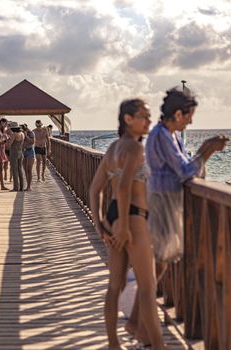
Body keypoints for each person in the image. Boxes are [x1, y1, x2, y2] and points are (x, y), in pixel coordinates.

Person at [89, 99, 167, 350]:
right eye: (143, 116)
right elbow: (123, 187)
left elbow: (95, 189)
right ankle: (157, 344)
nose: (148, 121)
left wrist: (100, 223)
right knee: (147, 285)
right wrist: (123, 226)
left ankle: (113, 343)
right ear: (128, 120)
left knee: (115, 285)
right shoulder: (134, 149)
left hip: (114, 216)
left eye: (149, 115)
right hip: (131, 218)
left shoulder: (112, 148)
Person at [145, 87, 228, 274]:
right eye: (189, 116)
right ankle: (145, 301)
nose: (191, 121)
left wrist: (204, 151)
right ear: (178, 114)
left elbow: (184, 168)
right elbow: (184, 171)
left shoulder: (170, 135)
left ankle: (145, 301)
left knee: (162, 262)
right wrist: (207, 149)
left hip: (166, 199)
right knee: (160, 262)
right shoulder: (161, 135)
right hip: (163, 201)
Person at [7, 121, 25, 191]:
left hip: (14, 153)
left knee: (14, 170)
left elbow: (9, 144)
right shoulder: (22, 134)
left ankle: (15, 187)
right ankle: (21, 187)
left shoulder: (14, 134)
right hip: (20, 152)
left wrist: (7, 141)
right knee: (20, 170)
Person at [22, 124, 35, 191]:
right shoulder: (19, 133)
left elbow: (32, 142)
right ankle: (27, 186)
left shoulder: (31, 133)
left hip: (30, 151)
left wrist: (26, 135)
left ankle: (29, 186)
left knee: (29, 169)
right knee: (25, 170)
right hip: (23, 152)